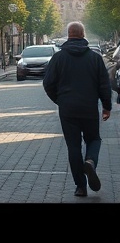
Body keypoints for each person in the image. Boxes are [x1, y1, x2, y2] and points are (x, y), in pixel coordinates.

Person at [42, 21, 111, 197]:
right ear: (83, 35)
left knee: (73, 146)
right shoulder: (95, 58)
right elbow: (104, 84)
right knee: (94, 139)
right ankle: (90, 161)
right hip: (89, 107)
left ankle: (80, 187)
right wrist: (106, 106)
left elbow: (48, 83)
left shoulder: (58, 58)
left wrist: (59, 100)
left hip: (67, 109)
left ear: (68, 34)